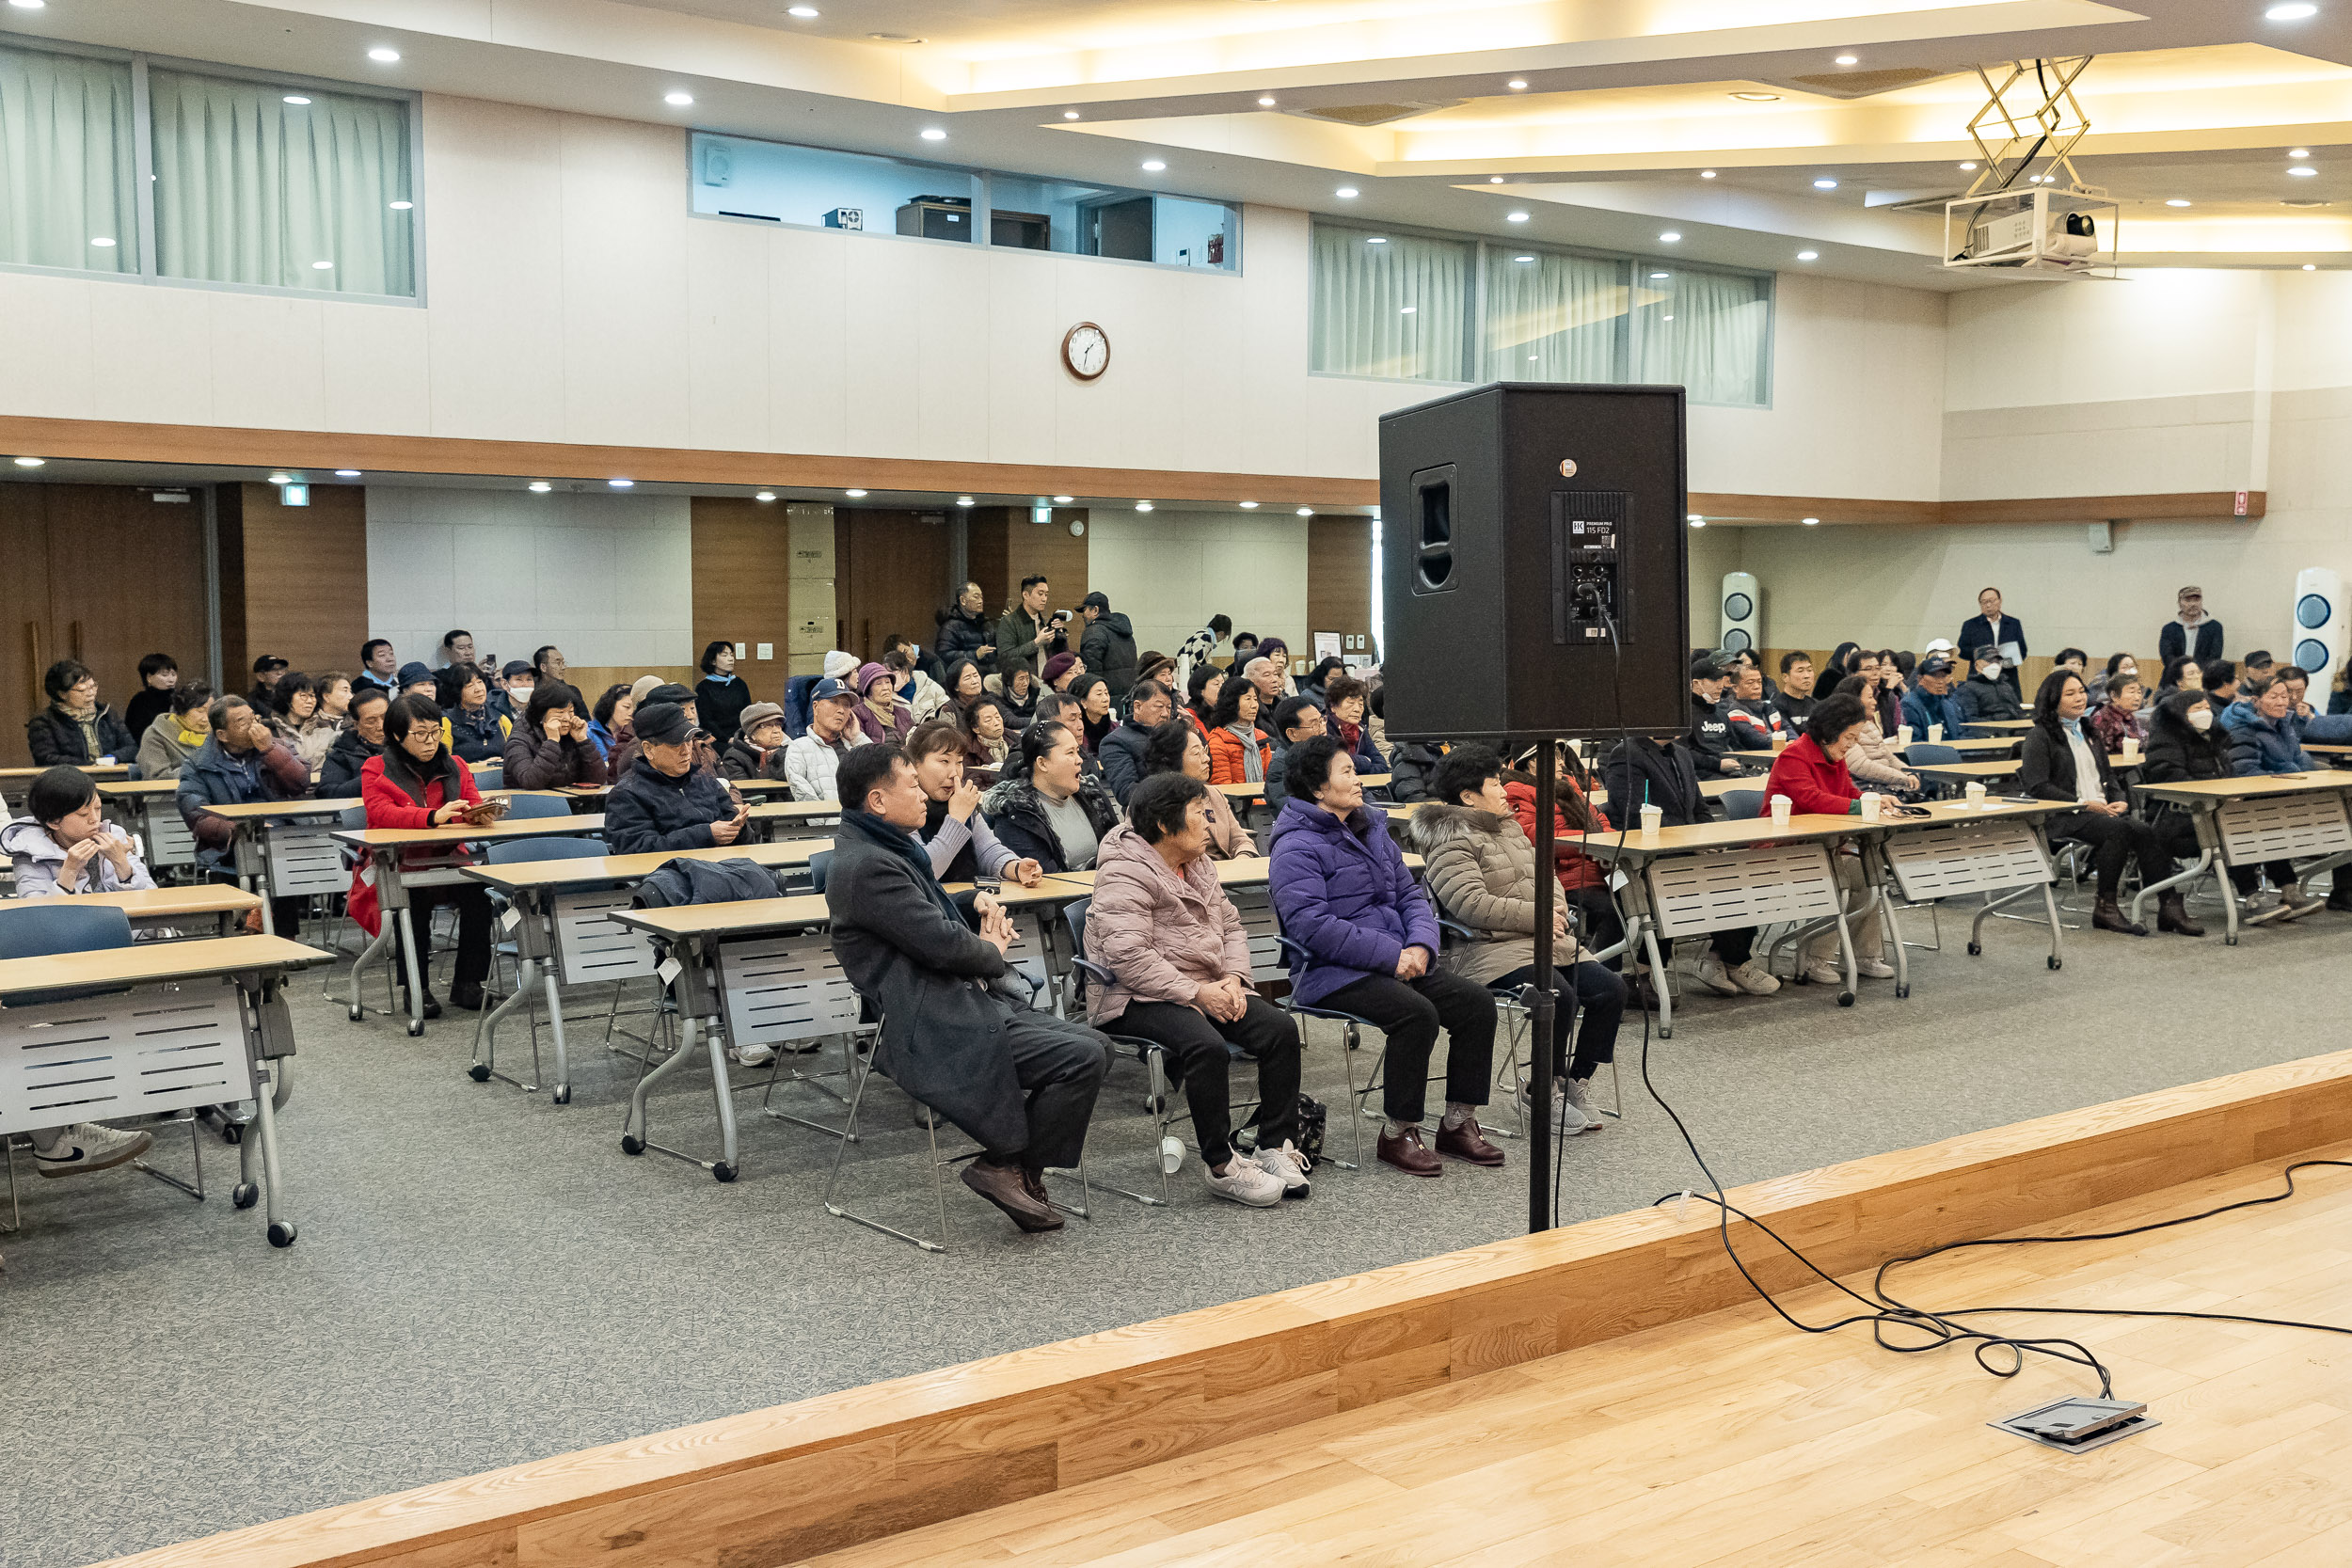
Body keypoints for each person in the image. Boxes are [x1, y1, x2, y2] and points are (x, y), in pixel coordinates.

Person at [828, 743, 1111, 1233]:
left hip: (955, 998)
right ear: (876, 801)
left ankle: (1012, 1169)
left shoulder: (888, 848)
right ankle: (1007, 1162)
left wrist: (971, 899)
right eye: (912, 785)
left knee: (1099, 1046)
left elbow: (924, 911)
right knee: (1082, 1055)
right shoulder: (867, 865)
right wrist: (992, 951)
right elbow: (941, 947)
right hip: (929, 1018)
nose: (923, 796)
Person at [1268, 735, 1502, 1177]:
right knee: (1416, 1015)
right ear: (1318, 788)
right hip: (1329, 970)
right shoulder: (1295, 845)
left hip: (1396, 957)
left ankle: (1457, 1123)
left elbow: (1412, 896)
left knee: (1476, 1004)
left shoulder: (1372, 827)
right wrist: (1391, 956)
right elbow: (1311, 927)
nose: (1357, 780)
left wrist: (1419, 945)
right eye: (1346, 773)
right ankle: (1398, 1132)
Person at [1089, 772, 1309, 1205]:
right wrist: (1197, 994)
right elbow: (1128, 958)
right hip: (1132, 994)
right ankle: (1221, 1164)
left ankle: (1272, 1145)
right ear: (1167, 825)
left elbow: (1230, 924)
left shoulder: (1198, 860)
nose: (1211, 824)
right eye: (1199, 814)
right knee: (1205, 1046)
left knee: (1279, 1031)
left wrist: (1234, 978)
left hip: (1205, 984)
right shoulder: (1123, 871)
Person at [1407, 746, 1625, 1134]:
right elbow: (1470, 905)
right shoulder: (1449, 838)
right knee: (1558, 996)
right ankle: (1543, 1088)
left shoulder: (1508, 826)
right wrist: (1538, 917)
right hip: (1487, 950)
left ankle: (1575, 1082)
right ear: (1468, 797)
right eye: (1495, 784)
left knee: (1611, 990)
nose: (1506, 791)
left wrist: (1555, 910)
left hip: (1541, 938)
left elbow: (1548, 878)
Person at [342, 694, 495, 1014]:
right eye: (420, 734)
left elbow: (470, 801)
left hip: (448, 859)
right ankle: (416, 987)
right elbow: (382, 814)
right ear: (398, 735)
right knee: (414, 904)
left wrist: (478, 814)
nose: (430, 741)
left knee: (480, 895)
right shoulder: (377, 768)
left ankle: (468, 984)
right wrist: (432, 817)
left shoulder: (455, 765)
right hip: (399, 866)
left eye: (436, 732)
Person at [1598, 732, 1780, 997]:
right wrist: (1691, 841)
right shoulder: (1626, 754)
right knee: (1684, 883)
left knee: (1738, 871)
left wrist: (1710, 837)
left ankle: (1723, 958)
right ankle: (1733, 961)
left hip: (1683, 849)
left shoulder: (1680, 753)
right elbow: (1634, 815)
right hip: (1643, 856)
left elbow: (1699, 810)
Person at [2018, 671, 2174, 936]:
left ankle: (2169, 905)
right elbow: (2038, 786)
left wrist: (2120, 800)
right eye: (2070, 694)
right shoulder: (2040, 735)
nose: (2080, 698)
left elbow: (2108, 776)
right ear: (2053, 699)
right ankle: (2106, 905)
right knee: (2118, 831)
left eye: (2081, 691)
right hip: (2061, 814)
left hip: (2098, 811)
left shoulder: (2088, 730)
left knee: (2145, 830)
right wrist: (2083, 803)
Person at [1760, 694, 1895, 986]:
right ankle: (1813, 959)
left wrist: (1874, 800)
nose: (1852, 744)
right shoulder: (1794, 755)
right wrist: (1860, 807)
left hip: (1825, 846)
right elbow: (1811, 799)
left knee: (1867, 873)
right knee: (1838, 875)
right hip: (1785, 850)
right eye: (1849, 736)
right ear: (1831, 731)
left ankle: (1864, 956)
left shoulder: (1835, 756)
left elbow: (1848, 792)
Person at [1502, 743, 1623, 967]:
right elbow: (1536, 838)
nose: (1561, 763)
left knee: (1644, 898)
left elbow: (1599, 820)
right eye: (1555, 757)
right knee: (1612, 908)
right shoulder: (1515, 792)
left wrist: (1603, 839)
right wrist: (1590, 840)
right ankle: (1606, 973)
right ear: (1532, 762)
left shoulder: (1568, 787)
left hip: (1597, 869)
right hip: (1562, 877)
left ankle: (1640, 972)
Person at [904, 721, 1041, 887]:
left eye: (959, 762)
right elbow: (924, 870)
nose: (954, 773)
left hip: (971, 902)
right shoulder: (902, 809)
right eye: (944, 761)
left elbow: (988, 850)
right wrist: (956, 820)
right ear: (915, 764)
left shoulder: (961, 801)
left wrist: (1014, 867)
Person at [605, 700, 749, 856]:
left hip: (722, 866)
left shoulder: (706, 781)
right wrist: (706, 835)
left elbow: (744, 839)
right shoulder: (626, 794)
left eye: (688, 741)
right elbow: (637, 849)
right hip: (670, 875)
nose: (686, 750)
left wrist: (738, 829)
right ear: (649, 749)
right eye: (676, 744)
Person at [982, 721, 1120, 874]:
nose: (1079, 759)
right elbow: (1046, 879)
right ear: (1042, 763)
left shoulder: (1092, 793)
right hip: (1065, 895)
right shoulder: (1017, 812)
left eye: (1077, 751)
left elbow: (1119, 848)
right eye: (1070, 753)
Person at [5, 765, 153, 897]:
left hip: (124, 926)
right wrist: (69, 871)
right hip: (72, 928)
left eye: (98, 808)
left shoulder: (113, 836)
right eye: (83, 814)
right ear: (54, 822)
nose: (95, 819)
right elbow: (37, 917)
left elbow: (151, 897)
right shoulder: (31, 852)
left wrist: (121, 863)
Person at [1140, 718, 1255, 858]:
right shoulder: (1152, 802)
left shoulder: (1213, 794)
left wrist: (1242, 859)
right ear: (1172, 759)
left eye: (1204, 750)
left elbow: (1241, 840)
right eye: (1196, 753)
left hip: (1229, 873)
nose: (1206, 759)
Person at [502, 682, 610, 790]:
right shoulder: (519, 740)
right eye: (560, 712)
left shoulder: (571, 735)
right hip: (530, 803)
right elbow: (531, 782)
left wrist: (583, 741)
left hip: (572, 802)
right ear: (541, 715)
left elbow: (598, 780)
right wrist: (552, 741)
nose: (567, 718)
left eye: (571, 711)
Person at [26, 659, 135, 766]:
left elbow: (132, 748)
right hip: (68, 779)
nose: (91, 693)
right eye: (82, 690)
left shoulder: (106, 713)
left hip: (111, 776)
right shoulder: (44, 721)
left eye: (93, 687)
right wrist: (91, 764)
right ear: (62, 694)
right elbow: (47, 758)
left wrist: (114, 758)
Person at [1829, 674, 1922, 797]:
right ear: (1854, 700)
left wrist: (1909, 773)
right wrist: (1902, 778)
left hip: (1889, 785)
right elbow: (1861, 766)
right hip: (1869, 791)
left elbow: (1890, 758)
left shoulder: (1870, 725)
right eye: (1869, 697)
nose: (1875, 702)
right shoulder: (1842, 730)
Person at [784, 676, 869, 800]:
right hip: (826, 818)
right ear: (815, 707)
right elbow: (803, 795)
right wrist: (826, 820)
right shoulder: (798, 748)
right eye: (834, 702)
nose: (841, 710)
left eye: (846, 705)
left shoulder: (852, 747)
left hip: (861, 819)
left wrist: (857, 737)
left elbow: (881, 772)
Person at [1099, 678, 1173, 803]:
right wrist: (1174, 790)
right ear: (1137, 707)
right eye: (1159, 706)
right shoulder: (1115, 742)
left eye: (1169, 708)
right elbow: (1127, 792)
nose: (1165, 714)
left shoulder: (1173, 735)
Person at [994, 574, 1068, 681]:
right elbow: (1005, 657)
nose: (1044, 599)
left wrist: (1060, 635)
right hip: (1024, 683)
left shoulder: (1045, 621)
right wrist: (1036, 643)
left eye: (1046, 594)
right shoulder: (1009, 622)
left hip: (1048, 681)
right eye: (1040, 594)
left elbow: (1060, 655)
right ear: (1025, 595)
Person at [136, 683, 215, 783]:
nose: (206, 719)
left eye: (211, 711)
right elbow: (158, 776)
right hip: (171, 795)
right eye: (200, 711)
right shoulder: (155, 734)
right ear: (181, 711)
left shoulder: (219, 734)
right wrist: (201, 772)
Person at [321, 686, 389, 797]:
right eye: (371, 721)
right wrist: (371, 777)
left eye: (386, 718)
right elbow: (328, 792)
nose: (381, 726)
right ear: (356, 725)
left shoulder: (408, 746)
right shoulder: (342, 754)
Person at [436, 665, 512, 764]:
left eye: (480, 682)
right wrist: (480, 767)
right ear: (457, 691)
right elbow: (444, 764)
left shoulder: (500, 719)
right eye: (470, 686)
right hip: (464, 777)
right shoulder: (446, 721)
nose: (478, 689)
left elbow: (515, 755)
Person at [1957, 586, 2026, 694]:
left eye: (1992, 601)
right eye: (1984, 602)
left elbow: (2022, 651)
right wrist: (1978, 657)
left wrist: (2003, 663)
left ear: (2000, 601)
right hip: (1979, 677)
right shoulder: (1970, 625)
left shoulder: (2013, 623)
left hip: (2008, 678)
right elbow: (1962, 650)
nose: (1988, 605)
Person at [1263, 695, 1327, 811]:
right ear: (1292, 734)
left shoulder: (1330, 754)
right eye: (1314, 724)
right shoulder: (1281, 765)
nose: (1323, 729)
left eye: (1322, 720)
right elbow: (1292, 809)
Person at [273, 673, 344, 771]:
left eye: (312, 695)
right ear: (287, 698)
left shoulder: (324, 730)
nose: (310, 701)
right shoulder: (271, 731)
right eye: (303, 695)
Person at [1686, 655, 1743, 776]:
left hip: (1730, 771)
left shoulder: (1721, 714)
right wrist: (1717, 764)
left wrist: (1742, 763)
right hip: (1702, 773)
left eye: (1721, 679)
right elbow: (1682, 752)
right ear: (1696, 683)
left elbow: (1735, 745)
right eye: (1713, 680)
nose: (1720, 685)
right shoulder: (1685, 715)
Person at [1076, 592, 1138, 700]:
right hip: (1129, 696)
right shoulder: (1124, 631)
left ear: (1095, 610)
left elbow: (1092, 670)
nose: (1083, 615)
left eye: (1085, 610)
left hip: (1105, 697)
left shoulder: (1093, 631)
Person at [1205, 680, 1268, 784]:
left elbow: (1270, 783)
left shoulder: (1261, 738)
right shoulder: (1218, 742)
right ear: (1232, 704)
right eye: (1248, 699)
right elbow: (1224, 790)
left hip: (1263, 799)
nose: (1254, 705)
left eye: (1255, 699)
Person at [694, 641, 753, 746]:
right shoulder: (703, 688)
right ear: (713, 661)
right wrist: (727, 739)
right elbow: (706, 721)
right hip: (717, 740)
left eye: (731, 655)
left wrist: (744, 736)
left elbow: (747, 713)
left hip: (742, 737)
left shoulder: (739, 684)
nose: (731, 659)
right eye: (724, 655)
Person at [719, 701, 792, 784]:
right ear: (752, 733)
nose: (776, 730)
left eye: (778, 724)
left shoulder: (790, 752)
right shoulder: (734, 757)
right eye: (768, 725)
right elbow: (744, 791)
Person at [1899, 654, 1969, 740]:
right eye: (1934, 676)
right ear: (1920, 679)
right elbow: (1914, 740)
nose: (1940, 681)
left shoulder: (1947, 704)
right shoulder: (1910, 704)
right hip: (1927, 752)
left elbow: (1959, 734)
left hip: (1953, 751)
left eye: (1943, 676)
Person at [1955, 644, 2029, 726]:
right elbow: (1970, 720)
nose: (1995, 665)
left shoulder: (2006, 686)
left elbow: (2019, 711)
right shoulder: (1968, 689)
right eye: (1990, 661)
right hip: (1989, 732)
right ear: (1977, 665)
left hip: (2014, 730)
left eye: (1997, 662)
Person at [1723, 660, 1784, 751]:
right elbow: (1756, 741)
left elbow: (1788, 729)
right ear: (1736, 688)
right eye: (1750, 683)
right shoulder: (1735, 712)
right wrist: (1785, 744)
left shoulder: (1768, 707)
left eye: (1759, 682)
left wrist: (1793, 742)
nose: (1756, 686)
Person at [933, 580, 997, 668]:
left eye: (981, 597)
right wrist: (975, 655)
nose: (980, 601)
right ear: (963, 601)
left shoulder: (986, 624)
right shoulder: (950, 627)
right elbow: (943, 655)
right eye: (976, 597)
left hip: (990, 674)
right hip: (965, 675)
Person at [1170, 614, 1232, 702]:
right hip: (1183, 677)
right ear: (1222, 633)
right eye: (1224, 637)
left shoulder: (1202, 634)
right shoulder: (1206, 638)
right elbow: (1194, 662)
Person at [851, 660, 914, 745]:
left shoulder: (904, 713)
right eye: (878, 683)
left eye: (888, 682)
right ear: (868, 690)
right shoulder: (857, 714)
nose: (885, 688)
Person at [2159, 585, 2224, 665]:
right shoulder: (2169, 629)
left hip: (2204, 675)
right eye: (2188, 600)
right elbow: (2167, 657)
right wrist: (2184, 672)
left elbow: (2215, 657)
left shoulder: (2214, 627)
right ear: (2179, 603)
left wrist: (2195, 673)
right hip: (2174, 674)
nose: (2193, 604)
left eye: (2197, 600)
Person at [124, 653, 181, 741]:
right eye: (165, 675)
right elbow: (135, 734)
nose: (171, 679)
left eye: (173, 674)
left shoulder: (181, 698)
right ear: (149, 678)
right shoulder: (139, 701)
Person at [2089, 675, 2150, 753]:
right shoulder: (2101, 718)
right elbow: (2099, 754)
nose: (2137, 698)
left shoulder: (2131, 718)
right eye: (2132, 692)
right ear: (2114, 696)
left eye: (2139, 692)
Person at [961, 694, 1015, 780]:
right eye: (988, 720)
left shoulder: (1015, 739)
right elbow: (973, 781)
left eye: (997, 717)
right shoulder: (967, 750)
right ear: (976, 728)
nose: (996, 723)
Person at [1771, 651, 1820, 730]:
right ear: (1785, 677)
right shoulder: (1777, 706)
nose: (1807, 676)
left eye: (1810, 670)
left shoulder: (1816, 705)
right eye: (1800, 671)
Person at [1069, 673, 1116, 756]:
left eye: (1106, 693)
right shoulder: (1074, 733)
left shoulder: (1115, 729)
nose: (1105, 699)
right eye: (1099, 694)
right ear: (1083, 701)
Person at [588, 683, 633, 762]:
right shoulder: (589, 733)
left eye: (635, 708)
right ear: (610, 705)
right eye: (626, 707)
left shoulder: (636, 736)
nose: (631, 713)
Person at [941, 657, 989, 727]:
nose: (975, 681)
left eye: (975, 675)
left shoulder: (989, 701)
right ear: (956, 687)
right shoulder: (948, 710)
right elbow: (947, 737)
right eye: (967, 678)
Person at [1183, 663, 1225, 738]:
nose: (1222, 688)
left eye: (1223, 683)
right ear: (1200, 690)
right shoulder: (1189, 714)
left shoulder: (1221, 711)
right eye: (1216, 684)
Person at [489, 660, 536, 725]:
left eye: (529, 679)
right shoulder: (492, 711)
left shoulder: (542, 707)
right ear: (505, 684)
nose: (525, 684)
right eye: (519, 679)